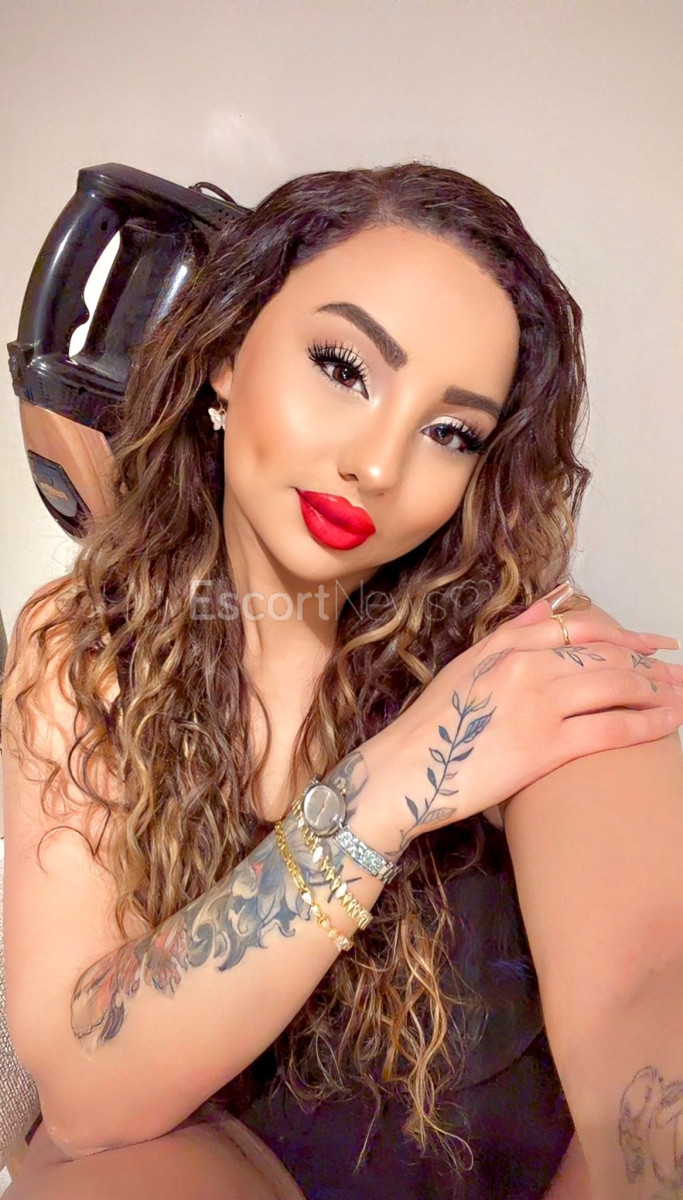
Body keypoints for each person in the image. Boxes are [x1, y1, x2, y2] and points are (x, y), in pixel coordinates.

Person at [2, 161, 682, 1200]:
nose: (377, 463)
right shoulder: (91, 646)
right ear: (225, 355)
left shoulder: (529, 656)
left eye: (449, 431)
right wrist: (394, 779)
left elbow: (645, 992)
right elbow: (87, 1094)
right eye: (342, 366)